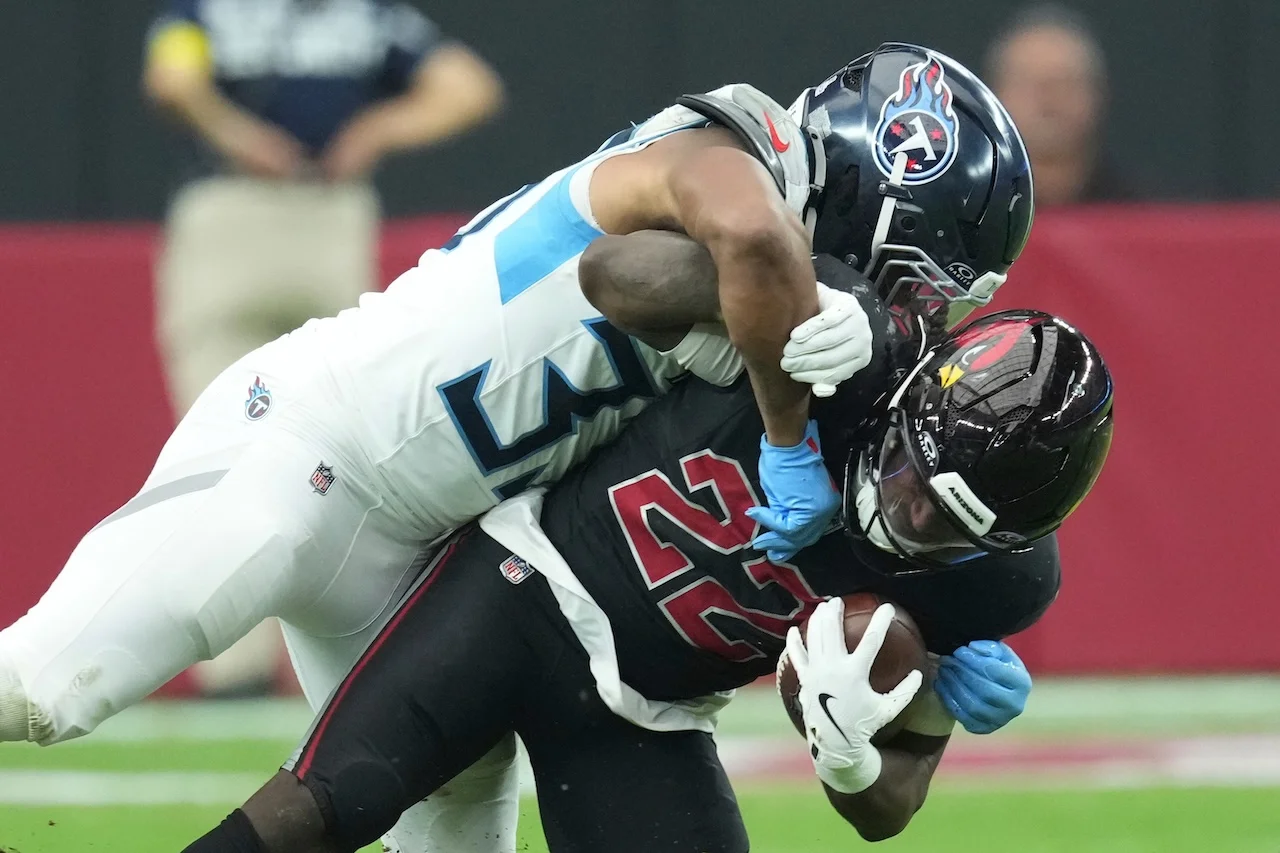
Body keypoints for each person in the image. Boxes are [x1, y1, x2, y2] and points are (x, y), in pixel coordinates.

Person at [0, 42, 1030, 851]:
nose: (922, 315)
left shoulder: (791, 297)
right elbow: (706, 256)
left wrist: (937, 658)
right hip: (310, 446)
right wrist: (798, 427)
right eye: (923, 282)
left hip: (415, 554)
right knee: (46, 687)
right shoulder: (725, 157)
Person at [178, 253, 1112, 853]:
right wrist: (798, 297)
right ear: (909, 398)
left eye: (942, 524)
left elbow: (889, 809)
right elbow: (616, 270)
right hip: (524, 590)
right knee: (326, 805)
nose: (901, 508)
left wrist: (853, 759)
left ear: (1006, 540)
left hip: (648, 714)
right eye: (909, 467)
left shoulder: (999, 583)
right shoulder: (844, 344)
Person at [144, 0, 504, 695]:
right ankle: (355, 650)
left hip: (230, 212)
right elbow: (467, 85)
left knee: (222, 453)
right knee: (339, 450)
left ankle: (237, 669)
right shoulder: (365, 18)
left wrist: (237, 132)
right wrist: (374, 128)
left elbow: (172, 81)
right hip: (325, 216)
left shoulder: (214, 13)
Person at [986, 4, 1132, 206]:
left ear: (1097, 93)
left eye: (1064, 82)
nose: (1047, 99)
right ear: (996, 96)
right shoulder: (968, 214)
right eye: (1028, 83)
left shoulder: (1145, 215)